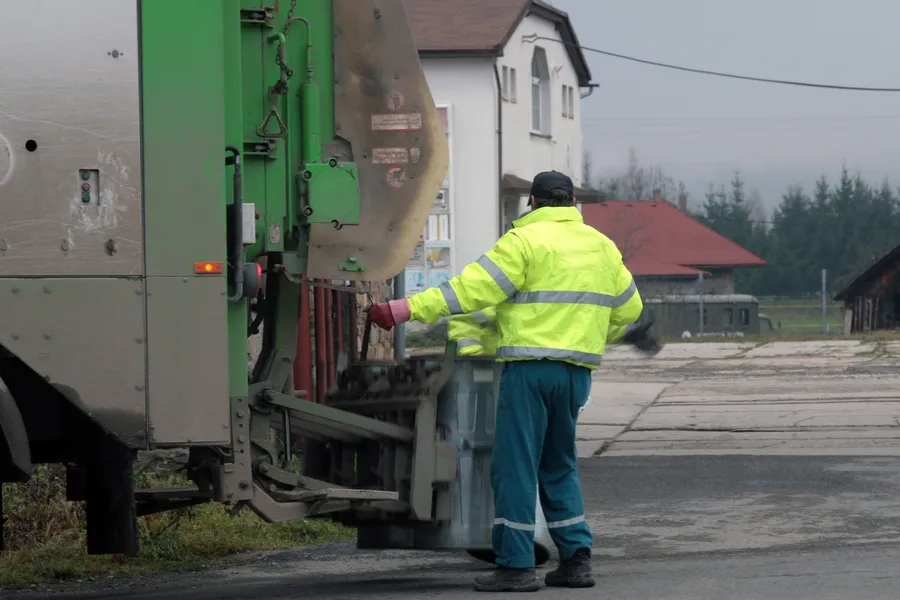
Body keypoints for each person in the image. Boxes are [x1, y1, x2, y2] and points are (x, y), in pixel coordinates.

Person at [367, 170, 652, 593]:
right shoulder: (602, 247)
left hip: (529, 371)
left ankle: (516, 565)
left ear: (532, 203)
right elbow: (629, 311)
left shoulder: (523, 242)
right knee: (559, 465)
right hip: (576, 374)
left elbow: (469, 291)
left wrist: (404, 310)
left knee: (514, 467)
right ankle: (576, 560)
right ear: (573, 204)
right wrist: (590, 334)